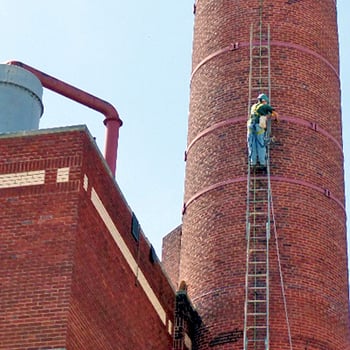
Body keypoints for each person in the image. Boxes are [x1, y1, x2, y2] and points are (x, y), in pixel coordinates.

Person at [247, 93, 277, 168]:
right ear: (263, 100)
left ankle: (253, 162)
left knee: (252, 144)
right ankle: (262, 162)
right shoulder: (264, 106)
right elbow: (275, 113)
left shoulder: (253, 106)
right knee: (261, 144)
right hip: (258, 127)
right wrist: (276, 118)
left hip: (250, 126)